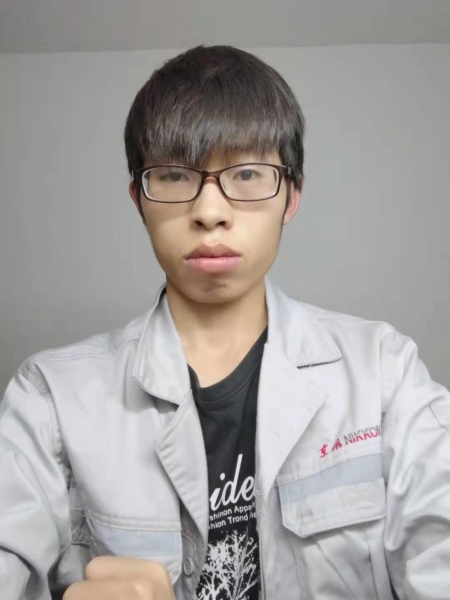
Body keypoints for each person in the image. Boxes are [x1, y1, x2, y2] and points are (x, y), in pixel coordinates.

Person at [0, 44, 449, 600]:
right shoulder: (49, 398)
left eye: (248, 173)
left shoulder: (383, 372)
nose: (210, 212)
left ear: (292, 196)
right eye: (173, 176)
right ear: (138, 199)